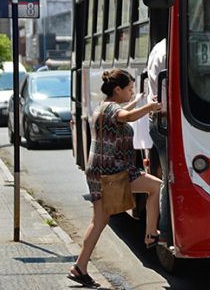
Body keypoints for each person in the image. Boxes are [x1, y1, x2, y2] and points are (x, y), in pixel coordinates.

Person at [68, 69, 162, 288]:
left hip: (101, 170)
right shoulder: (113, 110)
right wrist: (149, 107)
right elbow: (125, 116)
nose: (131, 92)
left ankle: (79, 267)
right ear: (117, 89)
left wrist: (137, 101)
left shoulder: (103, 108)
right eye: (129, 89)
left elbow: (122, 112)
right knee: (156, 187)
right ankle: (150, 234)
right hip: (112, 171)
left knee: (99, 220)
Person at [146, 39, 171, 245]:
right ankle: (164, 232)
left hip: (158, 120)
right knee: (170, 178)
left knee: (168, 175)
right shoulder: (171, 48)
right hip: (165, 122)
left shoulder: (159, 47)